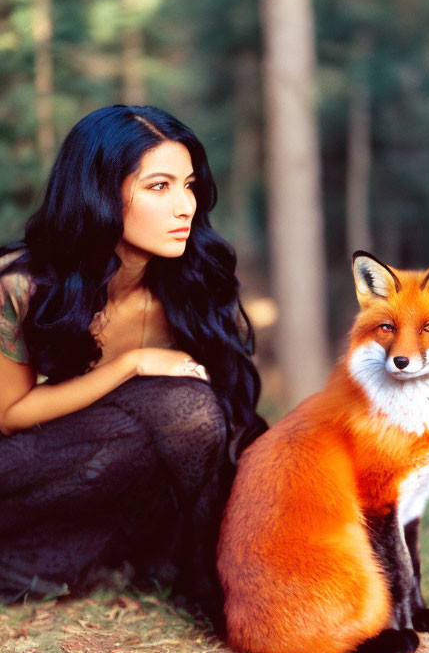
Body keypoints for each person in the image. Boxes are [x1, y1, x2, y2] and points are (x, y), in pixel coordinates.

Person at [0, 105, 266, 624]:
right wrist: (131, 365)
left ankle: (196, 570)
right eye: (159, 187)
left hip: (109, 480)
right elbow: (10, 414)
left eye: (188, 185)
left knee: (199, 414)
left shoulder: (193, 282)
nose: (184, 207)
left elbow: (224, 419)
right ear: (99, 192)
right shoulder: (22, 285)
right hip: (21, 474)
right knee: (181, 405)